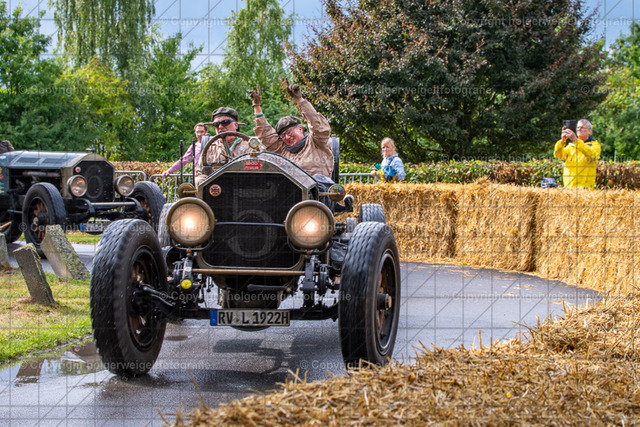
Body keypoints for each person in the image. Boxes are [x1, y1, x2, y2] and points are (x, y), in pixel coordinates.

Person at [249, 82, 333, 179]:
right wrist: (256, 106)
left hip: (318, 187)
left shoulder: (316, 142)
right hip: (289, 188)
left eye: (289, 132)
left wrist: (299, 99)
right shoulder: (283, 150)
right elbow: (266, 133)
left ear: (300, 129)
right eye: (283, 135)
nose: (287, 137)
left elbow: (316, 123)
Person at [194, 107, 254, 187]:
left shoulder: (250, 146)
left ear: (236, 125)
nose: (220, 127)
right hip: (217, 190)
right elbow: (199, 173)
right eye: (216, 124)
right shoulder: (209, 148)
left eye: (225, 122)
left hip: (244, 188)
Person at [553, 119, 601, 189]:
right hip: (569, 186)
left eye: (582, 127)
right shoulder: (571, 146)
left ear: (589, 131)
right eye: (578, 127)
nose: (579, 129)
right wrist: (562, 141)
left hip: (584, 187)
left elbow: (591, 154)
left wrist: (575, 140)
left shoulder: (595, 145)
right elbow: (558, 155)